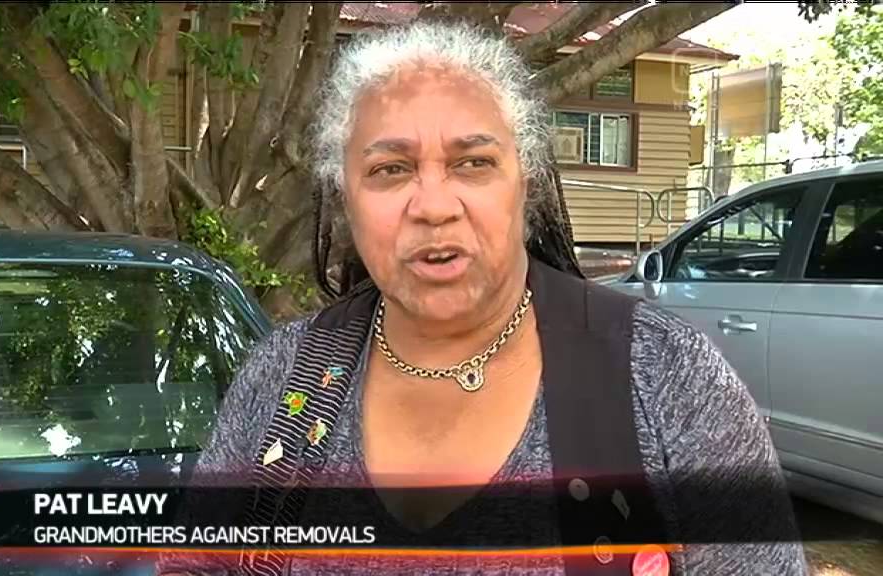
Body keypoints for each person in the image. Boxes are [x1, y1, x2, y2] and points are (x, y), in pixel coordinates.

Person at [158, 20, 807, 576]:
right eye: (390, 169)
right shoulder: (283, 381)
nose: (434, 206)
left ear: (524, 184)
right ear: (345, 197)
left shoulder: (667, 380)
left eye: (472, 162)